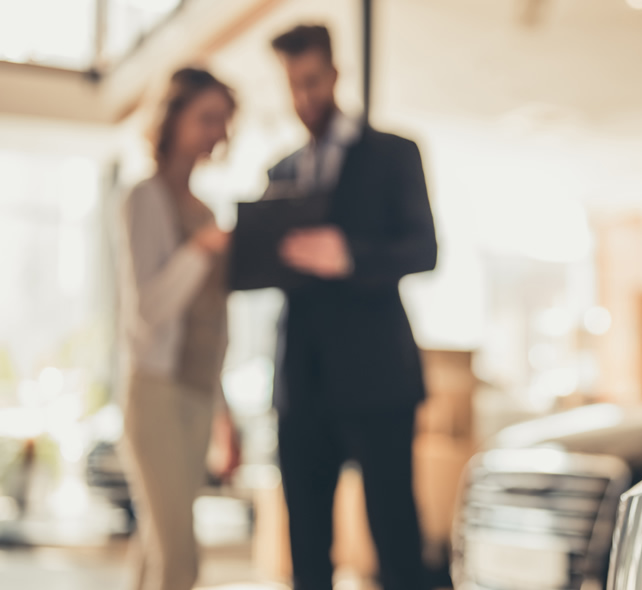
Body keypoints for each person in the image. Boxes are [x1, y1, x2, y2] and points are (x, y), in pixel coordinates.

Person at [265, 24, 437, 590]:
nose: (304, 97)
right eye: (293, 85)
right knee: (307, 549)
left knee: (395, 539)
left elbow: (425, 250)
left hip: (378, 381)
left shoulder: (394, 153)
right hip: (302, 386)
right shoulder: (281, 172)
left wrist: (349, 256)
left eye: (312, 81)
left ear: (335, 76)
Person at [117, 67, 241, 590]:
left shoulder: (205, 210)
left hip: (196, 391)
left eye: (223, 121)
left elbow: (210, 324)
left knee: (156, 553)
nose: (216, 132)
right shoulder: (143, 198)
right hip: (156, 392)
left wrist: (222, 410)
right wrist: (202, 250)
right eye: (206, 118)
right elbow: (150, 307)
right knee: (180, 559)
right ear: (173, 120)